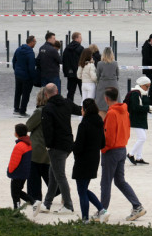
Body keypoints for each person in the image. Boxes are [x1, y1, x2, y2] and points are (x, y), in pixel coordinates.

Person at [100, 87, 146, 221]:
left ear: (106, 98)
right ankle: (137, 206)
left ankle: (102, 210)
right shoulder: (124, 111)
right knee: (120, 181)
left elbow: (108, 136)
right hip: (122, 148)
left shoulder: (111, 113)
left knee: (106, 182)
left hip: (111, 151)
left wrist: (104, 149)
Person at [41, 83, 81, 215]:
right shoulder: (67, 103)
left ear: (46, 94)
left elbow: (47, 130)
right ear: (57, 91)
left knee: (59, 175)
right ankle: (47, 203)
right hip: (68, 143)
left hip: (56, 146)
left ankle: (68, 205)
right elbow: (80, 110)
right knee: (53, 174)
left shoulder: (47, 109)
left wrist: (48, 145)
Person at [70, 98, 105, 222]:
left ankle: (85, 219)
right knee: (84, 188)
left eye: (81, 108)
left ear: (85, 109)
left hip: (83, 161)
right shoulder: (99, 122)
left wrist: (72, 146)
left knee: (81, 191)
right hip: (94, 159)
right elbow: (102, 143)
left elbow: (78, 146)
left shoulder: (84, 124)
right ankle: (102, 210)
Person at [25, 90, 52, 208]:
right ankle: (58, 190)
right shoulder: (53, 110)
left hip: (37, 146)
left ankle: (34, 197)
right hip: (48, 146)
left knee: (33, 174)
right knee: (47, 171)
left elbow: (28, 126)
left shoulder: (39, 111)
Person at [7, 123, 36, 211]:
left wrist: (10, 172)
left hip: (17, 173)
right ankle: (30, 203)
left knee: (15, 192)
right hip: (24, 172)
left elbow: (14, 161)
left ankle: (21, 206)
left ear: (16, 133)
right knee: (18, 191)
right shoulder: (28, 144)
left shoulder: (19, 146)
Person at [126, 77, 152, 165]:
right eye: (147, 86)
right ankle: (130, 154)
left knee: (142, 138)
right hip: (136, 119)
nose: (148, 88)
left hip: (141, 119)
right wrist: (147, 108)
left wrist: (149, 109)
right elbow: (135, 107)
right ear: (142, 85)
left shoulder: (142, 92)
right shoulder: (135, 94)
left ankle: (139, 157)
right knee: (142, 138)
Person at [11, 35, 37, 116]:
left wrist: (16, 70)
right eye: (35, 42)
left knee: (18, 92)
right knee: (26, 94)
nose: (35, 43)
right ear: (31, 42)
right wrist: (33, 77)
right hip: (27, 76)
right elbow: (31, 67)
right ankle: (22, 111)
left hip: (18, 75)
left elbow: (13, 60)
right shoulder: (30, 53)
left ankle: (16, 108)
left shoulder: (18, 49)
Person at [94, 47, 119, 112]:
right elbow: (117, 74)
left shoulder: (100, 63)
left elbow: (97, 75)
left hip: (103, 84)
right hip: (113, 83)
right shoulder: (115, 63)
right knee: (114, 102)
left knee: (101, 104)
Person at [62, 31, 84, 103]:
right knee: (83, 92)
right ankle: (85, 108)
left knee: (70, 92)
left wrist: (66, 72)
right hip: (79, 73)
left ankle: (68, 108)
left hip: (70, 74)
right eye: (80, 38)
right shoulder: (80, 48)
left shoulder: (67, 48)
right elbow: (83, 60)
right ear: (76, 38)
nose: (81, 39)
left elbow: (64, 61)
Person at [140, 33, 152, 104]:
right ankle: (150, 102)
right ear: (151, 39)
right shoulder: (146, 47)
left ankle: (151, 101)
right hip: (149, 69)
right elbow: (147, 58)